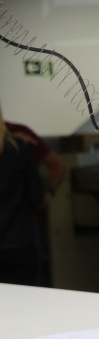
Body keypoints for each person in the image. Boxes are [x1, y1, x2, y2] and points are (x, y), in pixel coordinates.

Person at [0, 102, 45, 285]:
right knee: (29, 298)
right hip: (19, 240)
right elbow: (36, 197)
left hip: (17, 240)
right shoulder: (17, 147)